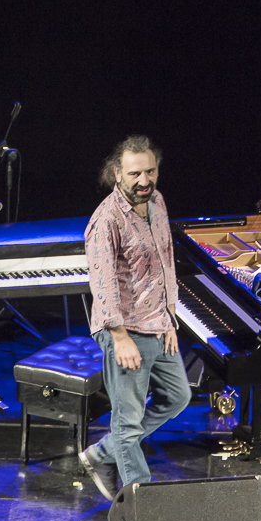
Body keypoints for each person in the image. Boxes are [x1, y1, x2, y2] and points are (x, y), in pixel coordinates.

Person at [78, 134, 191, 500]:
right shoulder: (106, 220)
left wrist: (171, 314)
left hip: (158, 322)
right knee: (127, 423)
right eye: (135, 174)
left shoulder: (157, 201)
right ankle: (141, 502)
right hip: (125, 329)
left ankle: (102, 453)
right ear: (117, 174)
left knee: (177, 396)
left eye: (150, 171)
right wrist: (120, 337)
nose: (144, 181)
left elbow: (166, 260)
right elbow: (104, 283)